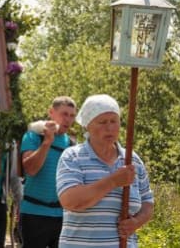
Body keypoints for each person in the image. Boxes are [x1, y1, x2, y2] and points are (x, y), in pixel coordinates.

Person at [56, 94, 154, 248]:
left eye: (114, 121)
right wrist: (113, 181)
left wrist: (136, 221)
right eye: (102, 122)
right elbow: (70, 201)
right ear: (87, 125)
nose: (109, 128)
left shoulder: (132, 160)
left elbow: (148, 203)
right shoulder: (73, 157)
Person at [20, 96, 77, 248]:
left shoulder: (71, 145)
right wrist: (47, 143)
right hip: (34, 215)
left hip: (62, 217)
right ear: (51, 113)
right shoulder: (33, 136)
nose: (68, 120)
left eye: (72, 116)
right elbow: (31, 169)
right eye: (64, 114)